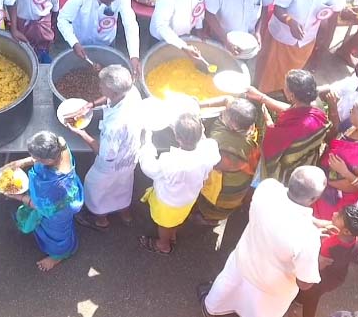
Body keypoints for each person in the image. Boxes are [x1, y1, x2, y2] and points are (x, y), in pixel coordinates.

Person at [200, 166, 327, 317]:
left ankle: (212, 310)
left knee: (225, 293)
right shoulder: (308, 237)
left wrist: (312, 222)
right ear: (313, 199)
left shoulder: (267, 188)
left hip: (243, 262)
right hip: (270, 288)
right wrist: (319, 263)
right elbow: (304, 283)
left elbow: (284, 211)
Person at [66, 65, 145, 231]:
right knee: (123, 184)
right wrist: (91, 105)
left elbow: (104, 154)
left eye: (102, 86)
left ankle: (101, 220)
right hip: (130, 157)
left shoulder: (114, 126)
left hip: (111, 164)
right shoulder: (132, 92)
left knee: (96, 187)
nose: (99, 87)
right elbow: (109, 100)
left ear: (114, 92)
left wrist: (81, 133)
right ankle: (125, 213)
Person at [256, 0, 345, 94]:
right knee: (268, 73)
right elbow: (278, 8)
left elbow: (334, 16)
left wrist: (326, 44)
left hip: (307, 38)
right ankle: (262, 97)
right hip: (281, 36)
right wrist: (290, 22)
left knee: (292, 75)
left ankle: (283, 97)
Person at [138, 112, 221, 254]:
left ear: (177, 138)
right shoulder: (209, 151)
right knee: (176, 218)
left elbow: (149, 168)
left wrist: (147, 145)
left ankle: (163, 244)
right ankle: (172, 234)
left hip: (168, 202)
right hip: (189, 199)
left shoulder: (170, 160)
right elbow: (208, 145)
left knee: (164, 224)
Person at [0, 131, 83, 272]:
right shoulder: (61, 146)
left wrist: (18, 196)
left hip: (58, 211)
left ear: (48, 160)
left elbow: (41, 207)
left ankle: (59, 256)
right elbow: (57, 144)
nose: (34, 160)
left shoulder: (55, 186)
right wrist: (24, 162)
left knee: (57, 234)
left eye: (36, 158)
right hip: (61, 198)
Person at [247, 70, 331, 186]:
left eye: (285, 87)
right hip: (307, 160)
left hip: (286, 170)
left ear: (291, 95)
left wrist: (267, 120)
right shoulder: (317, 110)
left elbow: (271, 145)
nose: (283, 88)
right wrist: (261, 97)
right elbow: (291, 110)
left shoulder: (296, 128)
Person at [294, 205, 358, 317]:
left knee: (311, 297)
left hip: (321, 278)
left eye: (339, 216)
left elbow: (317, 266)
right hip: (338, 277)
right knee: (314, 294)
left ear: (346, 231)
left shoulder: (328, 244)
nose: (335, 213)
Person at [193, 97, 262, 224]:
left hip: (225, 190)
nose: (223, 113)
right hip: (243, 183)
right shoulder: (251, 130)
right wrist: (198, 104)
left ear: (233, 125)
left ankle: (209, 219)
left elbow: (212, 163)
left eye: (226, 114)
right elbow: (227, 100)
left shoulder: (223, 146)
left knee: (213, 207)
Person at [57, 0, 142, 78]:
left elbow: (130, 24)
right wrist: (73, 42)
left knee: (108, 77)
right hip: (80, 41)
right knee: (77, 74)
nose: (108, 5)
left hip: (107, 41)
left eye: (111, 2)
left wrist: (134, 56)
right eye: (104, 2)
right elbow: (63, 19)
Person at [150, 0, 209, 65]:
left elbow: (199, 5)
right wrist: (183, 46)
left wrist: (199, 28)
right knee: (162, 65)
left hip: (185, 32)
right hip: (162, 37)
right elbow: (161, 26)